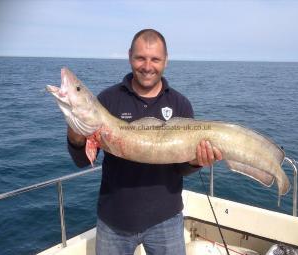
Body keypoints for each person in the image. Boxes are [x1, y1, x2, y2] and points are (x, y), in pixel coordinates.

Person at [67, 29, 222, 255]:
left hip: (166, 220)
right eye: (141, 58)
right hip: (114, 221)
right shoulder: (108, 100)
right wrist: (76, 134)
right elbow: (82, 161)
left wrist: (197, 161)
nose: (147, 66)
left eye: (155, 59)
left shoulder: (180, 104)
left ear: (165, 61)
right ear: (130, 56)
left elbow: (181, 168)